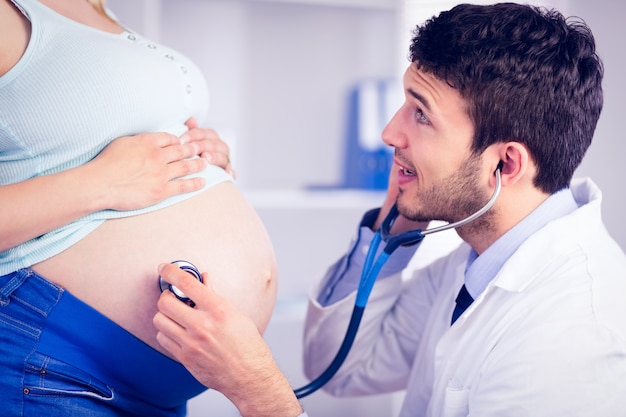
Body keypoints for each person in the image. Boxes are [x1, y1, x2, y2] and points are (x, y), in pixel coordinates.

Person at [152, 2, 626, 417]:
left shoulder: (574, 336)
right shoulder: (471, 267)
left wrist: (257, 393)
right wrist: (394, 223)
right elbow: (343, 368)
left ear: (505, 164)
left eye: (421, 115)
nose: (389, 134)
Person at [0, 0, 278, 416]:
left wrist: (201, 156)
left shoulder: (98, 10)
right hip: (57, 368)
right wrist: (100, 183)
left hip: (154, 390)